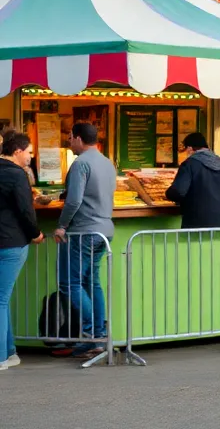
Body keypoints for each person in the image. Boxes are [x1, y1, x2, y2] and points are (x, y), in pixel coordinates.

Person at [53, 122, 116, 359]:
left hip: (83, 230)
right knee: (92, 283)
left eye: (70, 138)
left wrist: (61, 225)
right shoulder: (106, 162)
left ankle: (92, 335)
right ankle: (99, 336)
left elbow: (73, 201)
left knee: (69, 283)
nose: (69, 142)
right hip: (104, 231)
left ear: (79, 139)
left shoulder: (81, 164)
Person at [1, 132, 44, 370]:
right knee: (0, 300)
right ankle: (2, 356)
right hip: (12, 243)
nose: (31, 156)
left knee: (2, 299)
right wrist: (36, 234)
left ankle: (9, 352)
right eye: (28, 151)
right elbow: (26, 211)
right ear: (17, 151)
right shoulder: (17, 176)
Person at [166, 132, 220, 229]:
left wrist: (168, 195)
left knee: (193, 245)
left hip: (195, 223)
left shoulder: (189, 164)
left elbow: (178, 191)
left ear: (190, 149)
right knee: (216, 245)